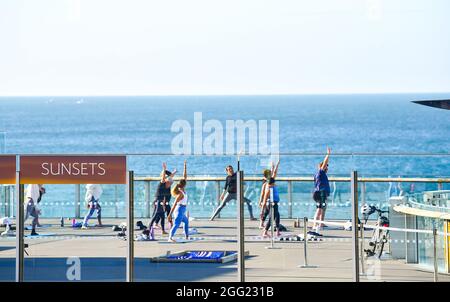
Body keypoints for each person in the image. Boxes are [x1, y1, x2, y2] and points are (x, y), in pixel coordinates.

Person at [144, 163, 177, 236]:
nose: (170, 185)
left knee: (162, 215)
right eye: (169, 184)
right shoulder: (162, 183)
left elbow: (170, 177)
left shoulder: (167, 184)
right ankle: (149, 228)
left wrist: (174, 172)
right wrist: (164, 169)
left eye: (171, 184)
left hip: (162, 201)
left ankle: (162, 230)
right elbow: (163, 178)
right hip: (157, 201)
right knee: (156, 215)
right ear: (167, 182)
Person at [309, 147, 331, 236]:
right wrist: (328, 154)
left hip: (321, 193)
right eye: (326, 167)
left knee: (322, 208)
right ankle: (315, 225)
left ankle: (320, 223)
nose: (327, 168)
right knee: (319, 209)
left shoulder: (321, 174)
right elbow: (324, 163)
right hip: (319, 193)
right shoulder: (320, 173)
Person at [167, 160, 189, 243]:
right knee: (176, 224)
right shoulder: (180, 193)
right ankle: (170, 237)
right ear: (183, 184)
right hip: (179, 210)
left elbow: (184, 176)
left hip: (182, 210)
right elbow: (174, 204)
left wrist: (185, 166)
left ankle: (187, 236)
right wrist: (169, 215)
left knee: (186, 221)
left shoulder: (182, 189)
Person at [258, 160, 280, 229]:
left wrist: (275, 166)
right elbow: (262, 194)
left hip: (269, 201)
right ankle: (265, 227)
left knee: (266, 213)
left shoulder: (270, 181)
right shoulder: (266, 184)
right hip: (269, 201)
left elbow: (274, 173)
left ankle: (263, 225)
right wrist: (260, 201)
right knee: (268, 214)